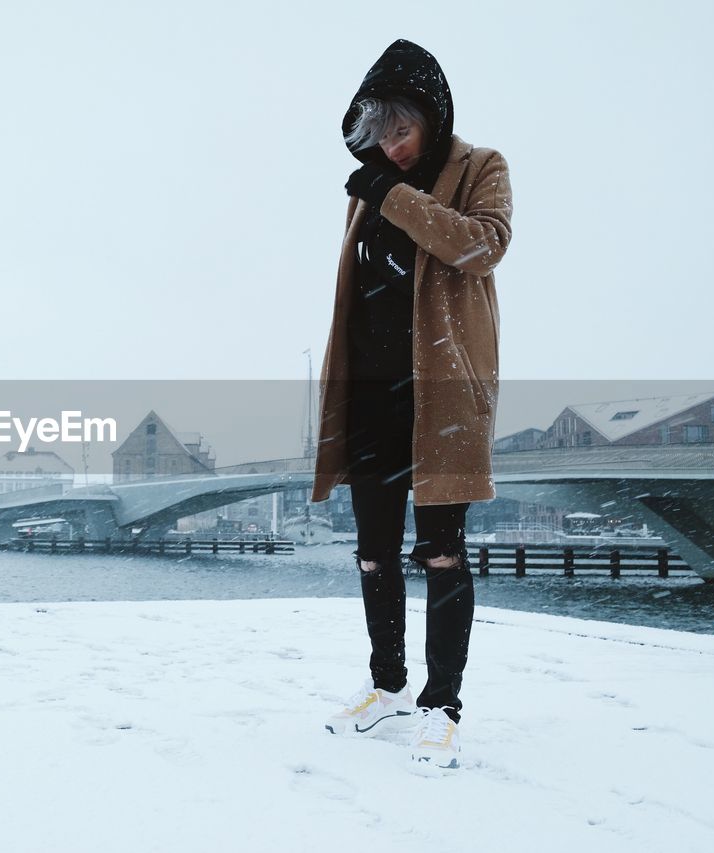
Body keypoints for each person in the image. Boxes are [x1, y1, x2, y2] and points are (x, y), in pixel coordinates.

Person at [310, 39, 513, 770]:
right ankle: (387, 686)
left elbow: (482, 247)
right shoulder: (369, 193)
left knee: (441, 550)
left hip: (443, 397)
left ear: (431, 116)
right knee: (372, 552)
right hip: (371, 398)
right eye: (379, 135)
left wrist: (391, 194)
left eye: (402, 130)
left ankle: (441, 705)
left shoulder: (479, 168)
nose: (391, 147)